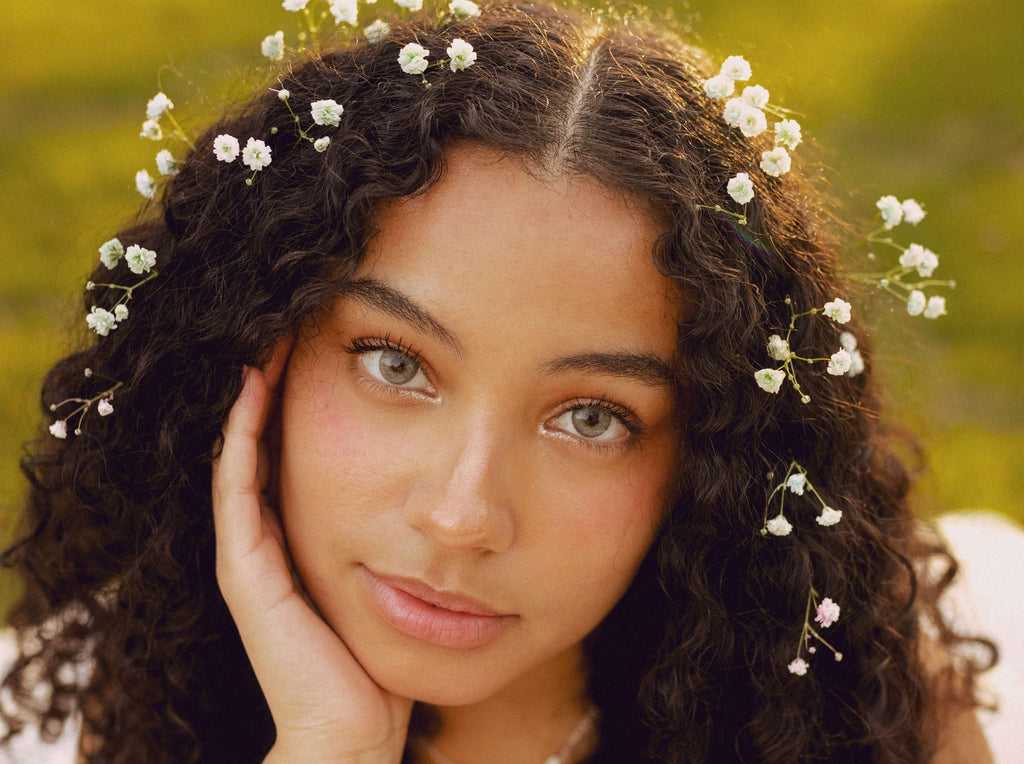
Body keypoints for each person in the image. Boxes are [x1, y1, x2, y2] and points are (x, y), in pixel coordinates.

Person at [0, 1, 1002, 761]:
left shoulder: (865, 717)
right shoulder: (119, 694)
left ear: (710, 453)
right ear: (252, 349)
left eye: (590, 416)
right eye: (396, 364)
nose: (461, 513)